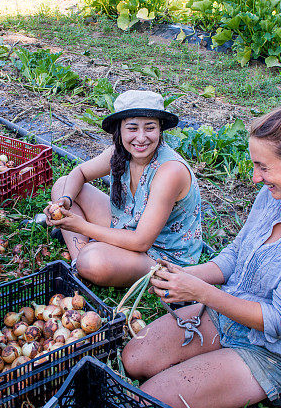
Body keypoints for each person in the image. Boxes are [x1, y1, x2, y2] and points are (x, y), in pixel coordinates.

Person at [122, 88, 281, 408]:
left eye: (263, 167)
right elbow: (236, 256)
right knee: (135, 360)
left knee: (147, 402)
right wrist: (187, 274)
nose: (255, 178)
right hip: (228, 314)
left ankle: (256, 385)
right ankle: (219, 384)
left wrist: (201, 293)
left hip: (268, 350)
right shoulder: (277, 193)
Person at [45, 90, 203, 287]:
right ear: (120, 130)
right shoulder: (120, 152)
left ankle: (88, 257)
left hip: (160, 254)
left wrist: (80, 226)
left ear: (160, 130)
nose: (141, 137)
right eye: (132, 128)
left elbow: (141, 242)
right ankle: (80, 263)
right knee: (63, 185)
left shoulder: (170, 171)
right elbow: (80, 173)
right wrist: (65, 202)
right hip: (128, 224)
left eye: (150, 128)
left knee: (94, 261)